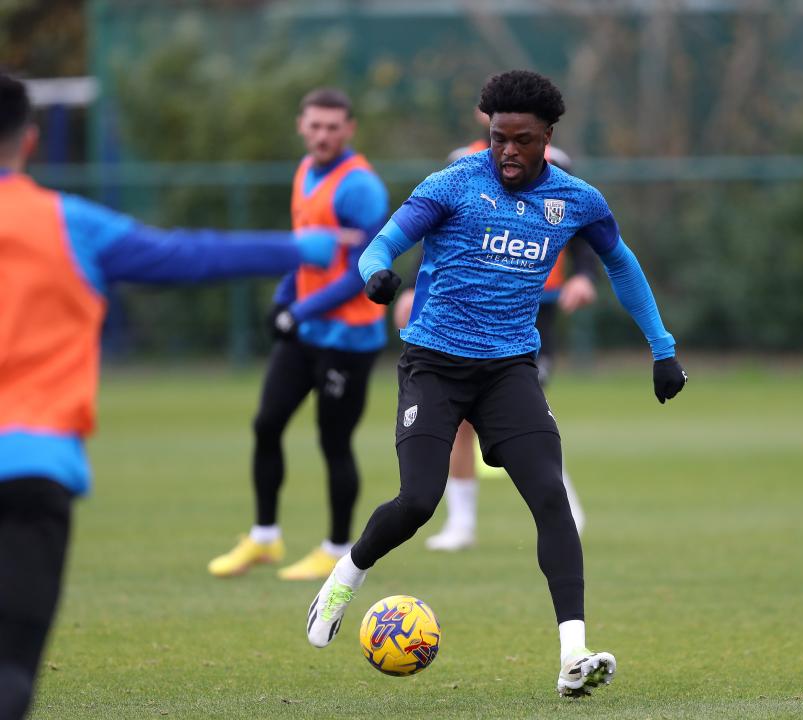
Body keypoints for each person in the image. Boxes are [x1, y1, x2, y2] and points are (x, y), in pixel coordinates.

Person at [304, 70, 687, 697]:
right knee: (417, 502)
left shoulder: (577, 199)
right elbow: (379, 248)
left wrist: (662, 349)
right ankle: (345, 575)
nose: (507, 151)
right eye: (498, 137)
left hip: (510, 369)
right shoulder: (451, 185)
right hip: (434, 364)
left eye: (522, 140)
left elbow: (623, 265)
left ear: (548, 137)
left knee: (549, 497)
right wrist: (376, 278)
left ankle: (573, 654)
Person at [0, 73, 344, 720]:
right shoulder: (67, 222)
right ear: (31, 141)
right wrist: (298, 247)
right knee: (10, 669)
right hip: (32, 470)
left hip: (34, 469)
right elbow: (188, 256)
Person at [394, 110, 598, 552]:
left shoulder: (553, 161)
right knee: (459, 418)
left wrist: (584, 275)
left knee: (526, 412)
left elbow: (583, 227)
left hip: (530, 303)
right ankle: (461, 523)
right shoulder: (460, 163)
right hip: (463, 306)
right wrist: (412, 288)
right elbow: (436, 231)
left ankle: (564, 506)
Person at [207, 88, 389, 581]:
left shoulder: (361, 188)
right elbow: (303, 252)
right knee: (267, 424)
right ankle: (264, 538)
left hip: (348, 338)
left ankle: (336, 548)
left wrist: (299, 309)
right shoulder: (305, 172)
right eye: (315, 125)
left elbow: (362, 271)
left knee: (334, 442)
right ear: (301, 126)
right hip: (306, 330)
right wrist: (284, 300)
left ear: (349, 129)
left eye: (333, 127)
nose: (323, 134)